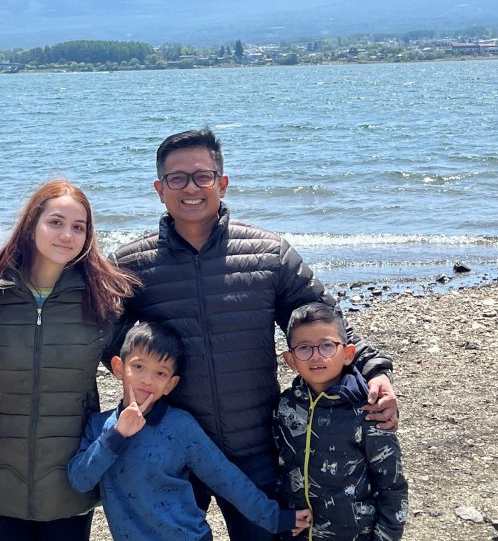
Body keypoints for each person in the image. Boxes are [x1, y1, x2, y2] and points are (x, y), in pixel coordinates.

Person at [110, 127, 400, 541]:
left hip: (256, 445)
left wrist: (373, 371)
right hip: (171, 449)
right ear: (159, 189)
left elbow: (325, 322)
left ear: (222, 183)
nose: (191, 187)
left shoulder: (268, 253)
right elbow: (105, 338)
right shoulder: (130, 264)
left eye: (202, 176)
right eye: (177, 178)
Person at [0, 179, 137, 541]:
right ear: (32, 225)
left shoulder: (104, 300)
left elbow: (139, 365)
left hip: (69, 485)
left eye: (79, 227)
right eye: (55, 222)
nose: (67, 236)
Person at [68, 322, 312, 541]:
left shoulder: (179, 426)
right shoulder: (100, 426)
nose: (147, 380)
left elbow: (226, 478)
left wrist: (276, 518)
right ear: (118, 368)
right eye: (138, 366)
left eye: (160, 373)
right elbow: (80, 480)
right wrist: (116, 434)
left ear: (170, 384)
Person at [276, 303, 408, 540]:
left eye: (327, 345)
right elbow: (279, 472)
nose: (316, 355)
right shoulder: (285, 407)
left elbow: (392, 487)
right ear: (290, 360)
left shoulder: (368, 410)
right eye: (304, 348)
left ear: (348, 354)